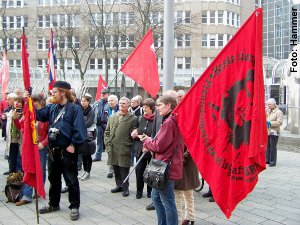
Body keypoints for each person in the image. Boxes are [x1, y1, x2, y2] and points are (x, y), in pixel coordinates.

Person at [32, 81, 87, 221]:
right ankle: (53, 204)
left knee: (71, 179)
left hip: (67, 151)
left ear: (63, 92)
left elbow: (80, 129)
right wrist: (29, 101)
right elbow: (38, 115)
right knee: (53, 179)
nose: (52, 94)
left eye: (54, 91)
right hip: (52, 151)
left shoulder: (75, 109)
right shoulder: (52, 108)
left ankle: (74, 206)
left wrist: (73, 144)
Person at [141, 95, 184, 225]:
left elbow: (159, 145)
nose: (157, 108)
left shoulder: (170, 121)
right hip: (163, 166)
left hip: (165, 168)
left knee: (168, 202)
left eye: (159, 105)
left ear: (169, 105)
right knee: (156, 198)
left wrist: (147, 141)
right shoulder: (171, 120)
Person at [14, 94, 49, 206]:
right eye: (32, 102)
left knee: (41, 169)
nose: (33, 104)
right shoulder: (29, 113)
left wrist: (43, 143)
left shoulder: (46, 114)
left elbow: (51, 131)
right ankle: (27, 195)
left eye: (35, 102)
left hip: (40, 146)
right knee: (29, 168)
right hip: (30, 146)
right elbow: (20, 125)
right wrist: (15, 119)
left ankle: (39, 189)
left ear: (40, 102)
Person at [104, 97, 136, 197]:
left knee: (124, 168)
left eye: (124, 103)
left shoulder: (133, 118)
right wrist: (107, 144)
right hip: (113, 147)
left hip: (124, 147)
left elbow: (134, 133)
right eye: (121, 103)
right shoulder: (112, 117)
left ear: (129, 105)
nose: (122, 105)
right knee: (115, 167)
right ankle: (119, 185)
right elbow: (107, 132)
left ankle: (125, 188)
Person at [131, 98, 155, 199]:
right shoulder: (140, 118)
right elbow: (134, 130)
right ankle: (139, 191)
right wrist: (135, 134)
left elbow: (158, 135)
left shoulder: (156, 120)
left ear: (152, 108)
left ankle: (150, 191)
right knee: (139, 171)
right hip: (139, 149)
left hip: (150, 150)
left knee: (151, 171)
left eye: (147, 108)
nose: (144, 109)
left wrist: (149, 139)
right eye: (143, 107)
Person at [78, 93, 96, 181]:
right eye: (82, 101)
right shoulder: (80, 110)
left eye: (85, 101)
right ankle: (85, 171)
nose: (83, 103)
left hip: (89, 134)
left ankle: (88, 172)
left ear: (88, 102)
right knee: (83, 153)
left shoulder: (91, 111)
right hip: (82, 134)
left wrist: (79, 126)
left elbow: (89, 123)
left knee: (88, 154)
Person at [92, 88, 110, 162]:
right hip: (98, 124)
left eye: (104, 94)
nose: (102, 95)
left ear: (108, 94)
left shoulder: (110, 103)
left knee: (109, 141)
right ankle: (98, 156)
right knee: (99, 141)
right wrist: (95, 120)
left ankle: (110, 157)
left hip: (108, 124)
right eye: (102, 94)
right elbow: (92, 112)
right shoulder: (96, 103)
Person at [266, 98, 283, 167]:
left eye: (269, 104)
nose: (268, 106)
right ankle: (267, 159)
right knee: (267, 146)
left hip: (274, 132)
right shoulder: (267, 110)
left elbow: (279, 122)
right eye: (268, 104)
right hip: (267, 131)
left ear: (274, 104)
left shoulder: (279, 112)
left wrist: (270, 123)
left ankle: (273, 161)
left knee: (273, 147)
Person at [105, 94, 119, 178]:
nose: (110, 102)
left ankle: (116, 169)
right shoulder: (106, 110)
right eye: (109, 101)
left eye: (112, 100)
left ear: (116, 102)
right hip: (108, 133)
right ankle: (111, 170)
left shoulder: (120, 110)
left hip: (117, 134)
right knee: (110, 152)